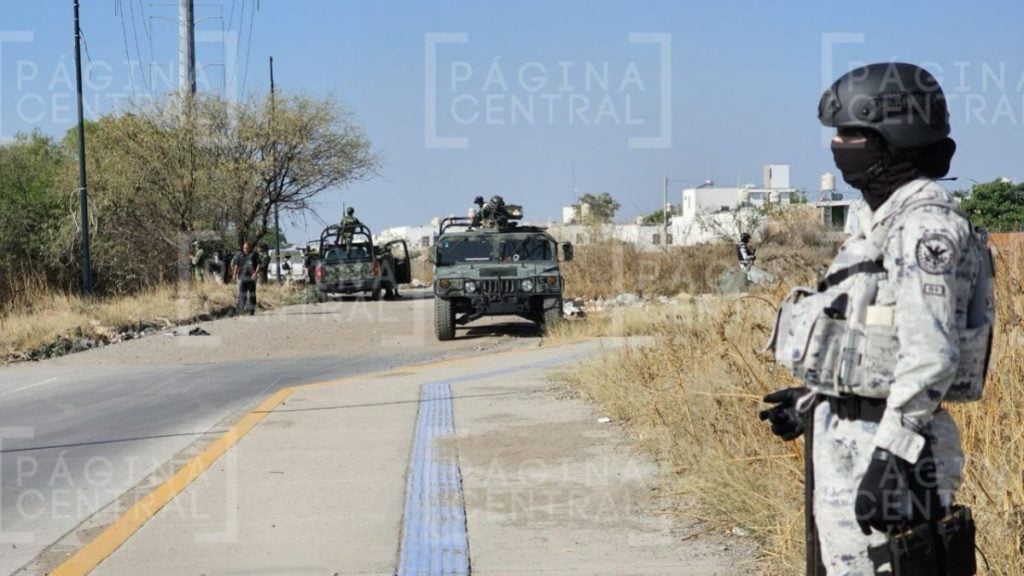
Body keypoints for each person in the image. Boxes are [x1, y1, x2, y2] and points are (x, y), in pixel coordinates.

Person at [761, 62, 989, 575]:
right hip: (852, 439)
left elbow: (931, 355)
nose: (837, 146)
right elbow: (870, 335)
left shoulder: (925, 228)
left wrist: (891, 457)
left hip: (897, 450)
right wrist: (816, 396)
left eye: (850, 134)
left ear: (893, 137)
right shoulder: (876, 224)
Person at [232, 241, 261, 315]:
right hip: (242, 277)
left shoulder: (254, 255)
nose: (246, 250)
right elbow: (236, 265)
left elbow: (259, 264)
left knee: (251, 294)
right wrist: (234, 275)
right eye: (244, 248)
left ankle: (251, 310)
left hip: (251, 277)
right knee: (242, 294)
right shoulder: (240, 255)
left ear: (250, 248)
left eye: (247, 248)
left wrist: (255, 273)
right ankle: (240, 310)